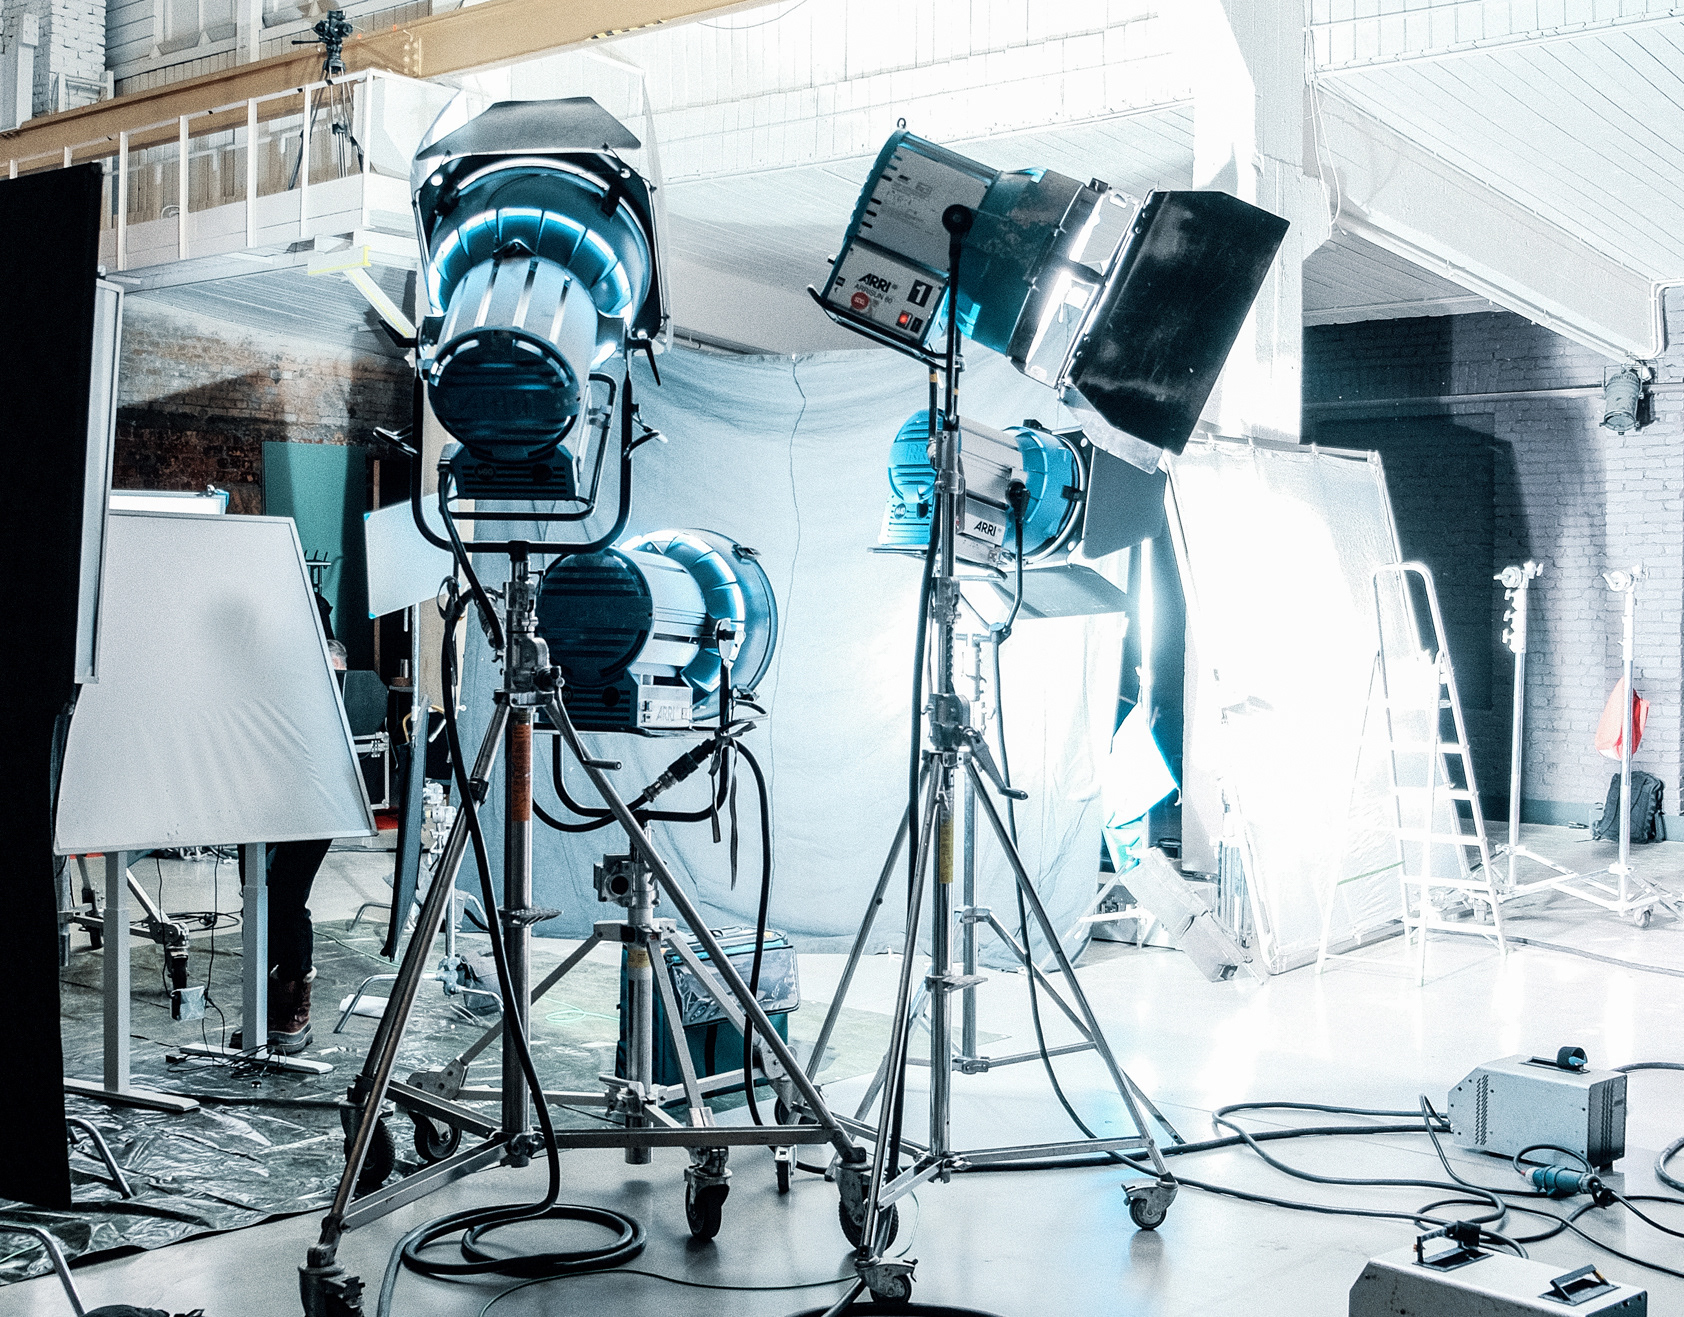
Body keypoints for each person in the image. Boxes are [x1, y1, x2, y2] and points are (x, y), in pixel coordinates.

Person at [231, 635, 347, 1055]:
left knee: (287, 898)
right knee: (255, 898)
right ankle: (263, 1006)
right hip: (261, 797)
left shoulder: (333, 692)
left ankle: (295, 1006)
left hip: (316, 801)